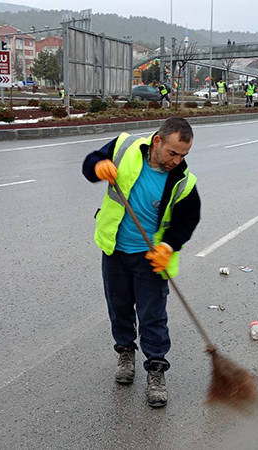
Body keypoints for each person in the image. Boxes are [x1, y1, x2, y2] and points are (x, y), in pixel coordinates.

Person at [82, 117, 201, 408]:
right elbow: (90, 163)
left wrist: (169, 245)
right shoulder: (124, 147)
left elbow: (188, 219)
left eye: (183, 155)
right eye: (173, 152)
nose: (177, 160)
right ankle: (125, 353)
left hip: (151, 258)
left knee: (152, 316)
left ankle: (157, 369)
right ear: (157, 142)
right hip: (115, 250)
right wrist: (97, 167)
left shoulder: (183, 181)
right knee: (119, 307)